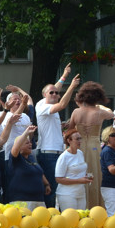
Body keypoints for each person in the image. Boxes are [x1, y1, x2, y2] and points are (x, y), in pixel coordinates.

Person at [35, 65, 80, 207]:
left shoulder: (46, 101)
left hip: (56, 152)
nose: (55, 94)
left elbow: (54, 88)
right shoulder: (43, 106)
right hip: (48, 154)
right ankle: (50, 219)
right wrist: (71, 86)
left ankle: (56, 217)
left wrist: (64, 75)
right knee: (52, 188)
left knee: (58, 188)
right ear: (44, 95)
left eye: (56, 93)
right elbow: (62, 105)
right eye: (51, 93)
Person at [66, 81, 115, 208]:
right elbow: (112, 114)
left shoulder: (76, 112)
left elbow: (70, 131)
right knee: (95, 176)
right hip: (94, 146)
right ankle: (95, 206)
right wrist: (100, 106)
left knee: (80, 174)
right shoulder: (99, 112)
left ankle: (82, 206)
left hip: (79, 146)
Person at [8, 125, 51, 210]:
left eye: (30, 142)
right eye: (27, 143)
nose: (30, 144)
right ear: (19, 147)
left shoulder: (31, 158)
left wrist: (46, 184)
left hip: (38, 200)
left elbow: (39, 172)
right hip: (22, 202)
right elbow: (15, 148)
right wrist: (26, 133)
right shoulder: (16, 159)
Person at [54, 129, 93, 210]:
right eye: (77, 139)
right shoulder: (64, 157)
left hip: (81, 193)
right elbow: (58, 179)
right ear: (69, 140)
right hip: (67, 194)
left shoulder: (80, 153)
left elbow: (79, 172)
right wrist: (79, 180)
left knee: (81, 219)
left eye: (80, 138)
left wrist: (86, 177)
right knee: (70, 220)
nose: (80, 141)